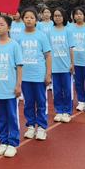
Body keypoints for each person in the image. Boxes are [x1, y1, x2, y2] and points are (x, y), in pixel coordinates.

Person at [0, 15, 23, 157]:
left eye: (2, 25)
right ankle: (3, 141)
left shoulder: (14, 45)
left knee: (12, 116)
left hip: (10, 88)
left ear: (8, 27)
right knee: (0, 116)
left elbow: (19, 67)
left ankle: (13, 142)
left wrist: (18, 85)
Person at [18, 7, 51, 140]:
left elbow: (48, 55)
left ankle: (42, 127)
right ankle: (31, 126)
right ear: (23, 19)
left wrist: (48, 74)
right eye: (26, 17)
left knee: (41, 102)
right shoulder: (19, 36)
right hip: (25, 76)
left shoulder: (41, 35)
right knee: (28, 102)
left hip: (39, 75)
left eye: (31, 17)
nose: (29, 20)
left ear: (36, 19)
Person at [49, 8, 75, 122]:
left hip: (65, 66)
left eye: (59, 15)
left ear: (63, 17)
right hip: (54, 67)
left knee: (67, 90)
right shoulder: (50, 31)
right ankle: (59, 110)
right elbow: (48, 50)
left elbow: (71, 48)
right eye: (55, 16)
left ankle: (67, 111)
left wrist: (72, 63)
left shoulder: (68, 30)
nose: (57, 17)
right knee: (57, 91)